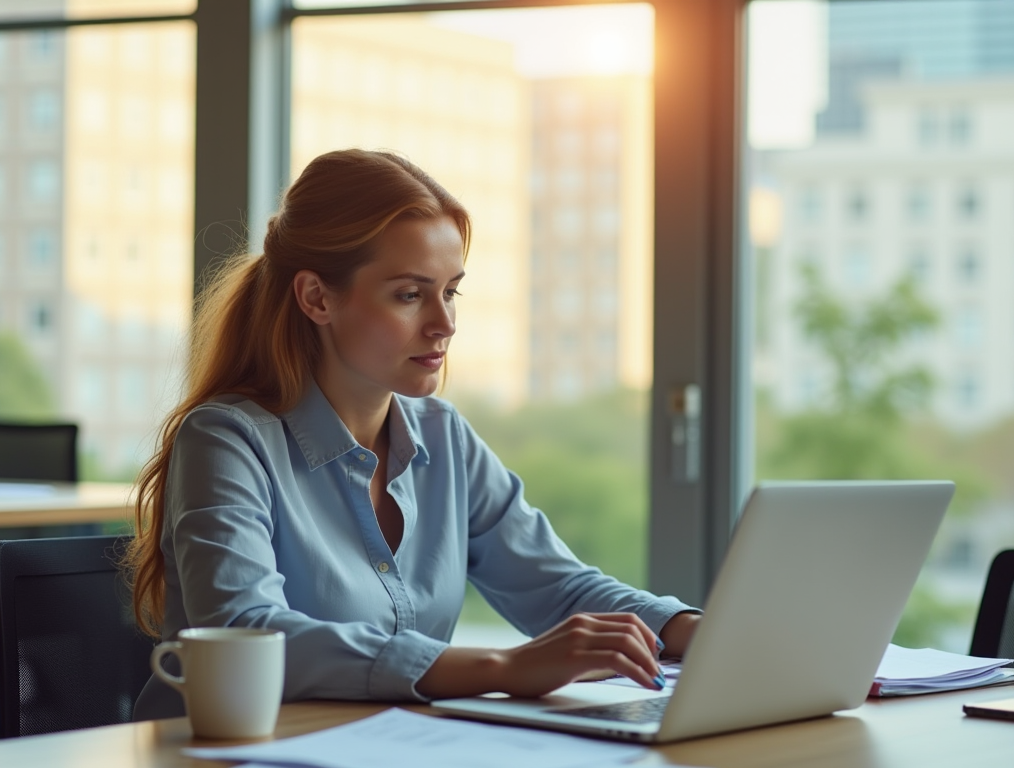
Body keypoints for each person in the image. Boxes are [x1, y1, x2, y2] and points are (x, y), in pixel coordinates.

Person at [128, 149, 702, 721]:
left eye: (450, 291)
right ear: (317, 297)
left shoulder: (444, 437)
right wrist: (501, 670)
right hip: (219, 765)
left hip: (379, 758)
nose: (445, 323)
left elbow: (559, 589)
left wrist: (703, 633)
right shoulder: (226, 440)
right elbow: (245, 631)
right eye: (410, 294)